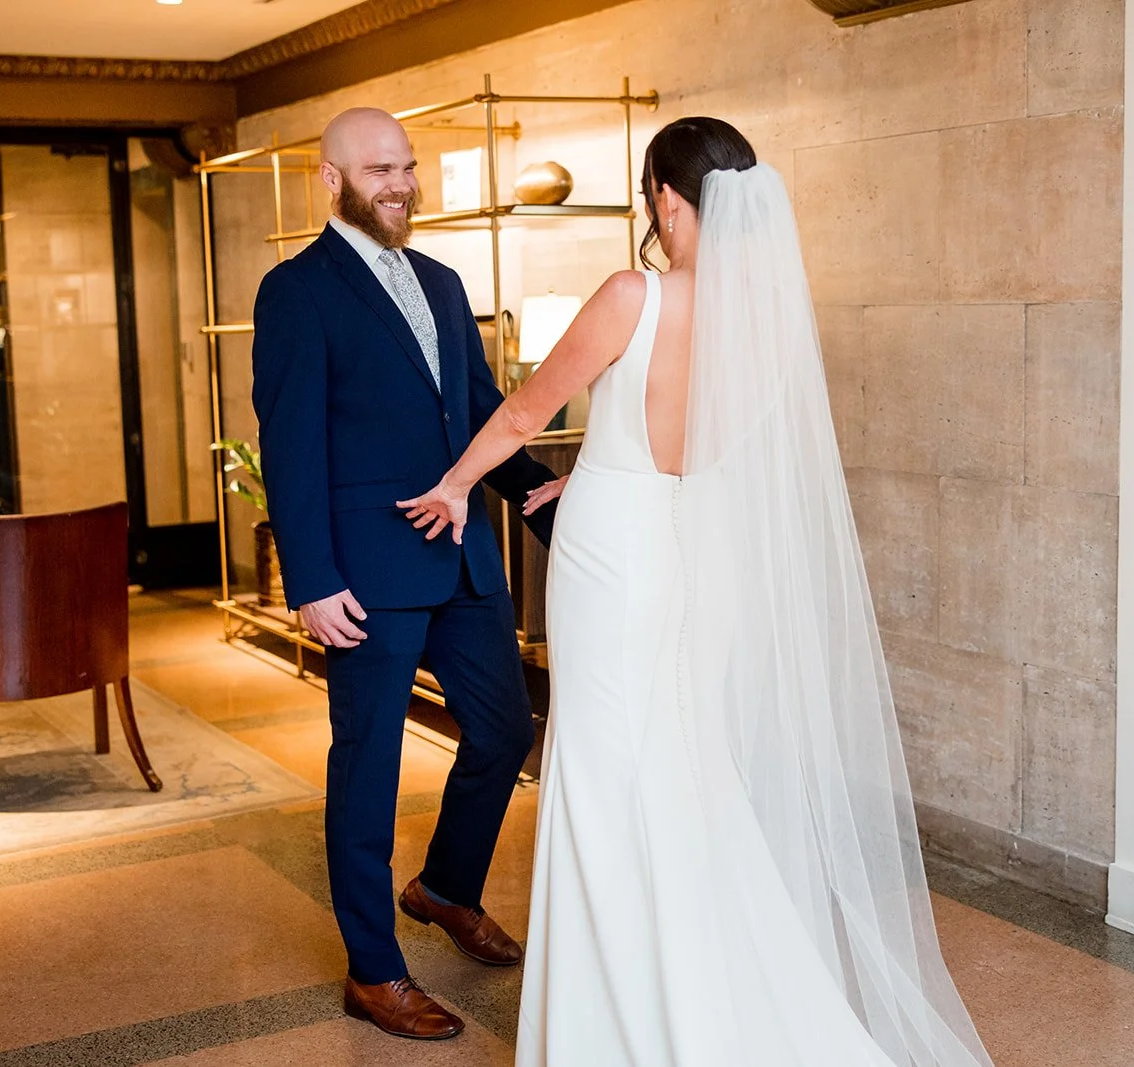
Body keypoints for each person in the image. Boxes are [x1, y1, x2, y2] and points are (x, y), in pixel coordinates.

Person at [398, 117, 996, 1065]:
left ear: (666, 200)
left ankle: (613, 1015)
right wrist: (595, 467)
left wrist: (457, 484)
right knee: (678, 753)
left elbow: (521, 412)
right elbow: (709, 447)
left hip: (612, 553)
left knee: (602, 764)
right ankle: (703, 979)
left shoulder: (631, 294)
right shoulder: (766, 319)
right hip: (687, 545)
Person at [250, 107, 559, 1042]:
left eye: (408, 167)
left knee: (505, 730)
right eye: (380, 169)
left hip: (463, 559)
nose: (401, 184)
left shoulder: (442, 280)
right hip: (366, 574)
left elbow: (480, 411)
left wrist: (541, 496)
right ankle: (374, 970)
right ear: (332, 179)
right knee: (369, 767)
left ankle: (447, 887)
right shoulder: (295, 291)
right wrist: (311, 578)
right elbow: (291, 444)